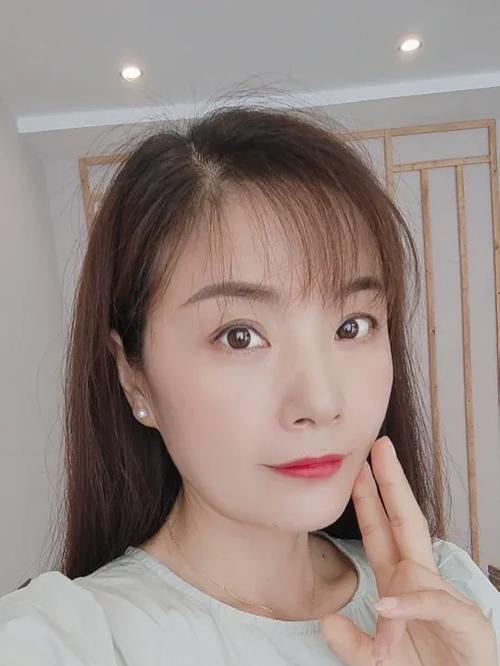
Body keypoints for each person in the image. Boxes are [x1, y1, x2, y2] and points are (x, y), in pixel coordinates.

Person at [1, 103, 499, 665]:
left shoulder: (451, 598)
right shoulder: (69, 641)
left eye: (352, 326)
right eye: (240, 336)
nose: (320, 402)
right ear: (132, 375)